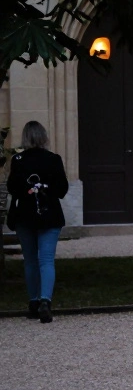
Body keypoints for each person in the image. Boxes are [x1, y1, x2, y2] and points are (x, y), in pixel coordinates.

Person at [6, 121, 69, 324]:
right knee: (47, 260)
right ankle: (45, 301)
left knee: (30, 260)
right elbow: (62, 190)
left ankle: (33, 302)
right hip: (49, 214)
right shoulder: (53, 159)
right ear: (44, 137)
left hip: (25, 215)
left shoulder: (18, 160)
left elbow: (13, 188)